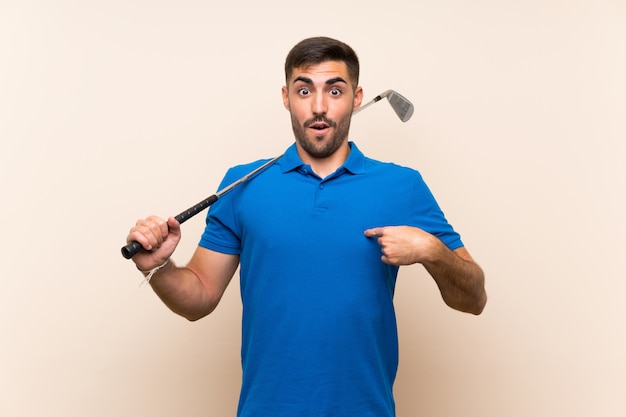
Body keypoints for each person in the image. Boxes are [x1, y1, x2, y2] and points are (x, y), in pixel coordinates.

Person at [126, 36, 487, 417]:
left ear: (357, 97)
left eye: (335, 90)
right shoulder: (242, 184)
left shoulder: (402, 186)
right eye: (304, 90)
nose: (318, 107)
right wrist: (159, 267)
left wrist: (432, 250)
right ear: (286, 97)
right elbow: (197, 300)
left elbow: (474, 299)